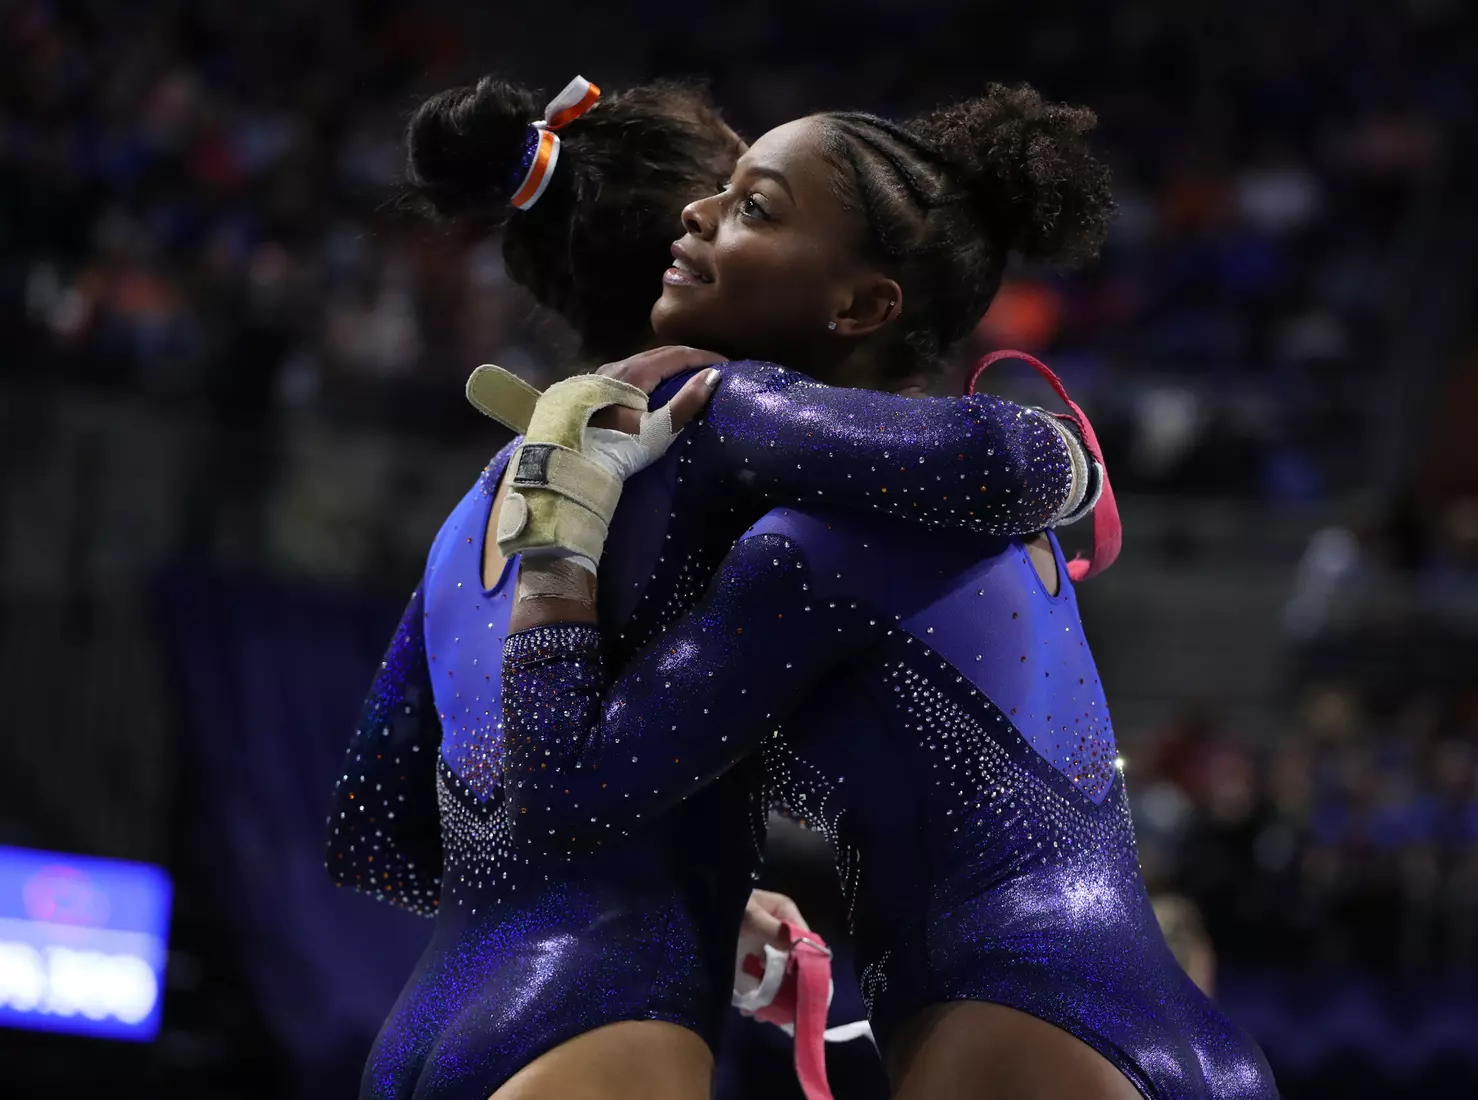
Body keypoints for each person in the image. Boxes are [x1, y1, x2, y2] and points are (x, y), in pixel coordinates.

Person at [327, 76, 1098, 1100]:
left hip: (428, 1024)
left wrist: (706, 894)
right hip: (613, 1015)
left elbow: (381, 836)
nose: (715, 216)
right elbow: (1005, 464)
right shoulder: (720, 415)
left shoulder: (473, 507)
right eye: (733, 194)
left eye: (753, 202)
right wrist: (1076, 463)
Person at [499, 86, 1278, 1099]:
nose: (694, 212)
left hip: (1005, 1022)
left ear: (863, 305)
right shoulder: (954, 500)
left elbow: (563, 797)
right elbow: (1027, 461)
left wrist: (554, 544)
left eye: (754, 207)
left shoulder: (815, 544)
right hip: (1182, 1034)